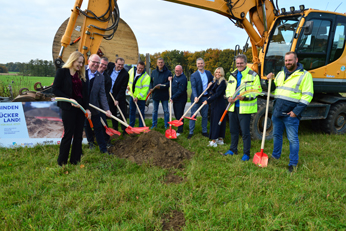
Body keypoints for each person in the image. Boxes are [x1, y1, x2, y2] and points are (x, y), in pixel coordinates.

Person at [266, 51, 313, 172]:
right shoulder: (281, 74)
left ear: (296, 60)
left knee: (292, 139)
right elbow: (274, 90)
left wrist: (295, 112)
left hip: (290, 114)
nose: (287, 62)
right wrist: (269, 80)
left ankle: (293, 163)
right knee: (276, 135)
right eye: (286, 60)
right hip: (277, 112)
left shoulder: (305, 75)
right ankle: (275, 156)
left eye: (290, 60)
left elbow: (308, 96)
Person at [52, 51, 90, 166]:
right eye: (79, 62)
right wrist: (69, 99)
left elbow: (85, 94)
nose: (80, 65)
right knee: (68, 134)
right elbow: (55, 90)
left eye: (82, 63)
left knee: (78, 135)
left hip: (80, 108)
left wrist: (87, 109)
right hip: (68, 107)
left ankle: (75, 161)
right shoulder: (62, 72)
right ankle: (62, 162)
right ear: (73, 60)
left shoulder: (82, 75)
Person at [223, 54, 262, 161]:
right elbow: (228, 90)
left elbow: (257, 92)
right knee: (233, 130)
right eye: (237, 63)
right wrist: (228, 97)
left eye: (241, 63)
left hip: (245, 108)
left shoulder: (253, 75)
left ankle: (246, 153)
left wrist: (244, 97)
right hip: (232, 107)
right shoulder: (232, 75)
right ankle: (233, 149)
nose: (239, 65)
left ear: (245, 63)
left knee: (245, 132)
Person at [84, 54, 112, 154]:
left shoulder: (100, 77)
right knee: (86, 125)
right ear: (88, 61)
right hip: (81, 105)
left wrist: (107, 109)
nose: (95, 64)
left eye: (97, 63)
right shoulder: (81, 72)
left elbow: (102, 94)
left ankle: (103, 149)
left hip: (94, 106)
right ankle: (90, 142)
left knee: (98, 127)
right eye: (93, 62)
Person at [188, 58, 213, 139]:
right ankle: (191, 132)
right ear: (196, 65)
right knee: (193, 115)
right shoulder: (193, 75)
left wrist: (211, 83)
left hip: (205, 98)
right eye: (198, 63)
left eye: (201, 63)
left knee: (205, 115)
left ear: (204, 64)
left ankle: (204, 131)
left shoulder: (208, 73)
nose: (200, 65)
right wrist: (195, 96)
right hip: (196, 98)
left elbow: (213, 80)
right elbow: (193, 87)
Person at [202, 67, 227, 147]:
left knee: (217, 121)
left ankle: (214, 141)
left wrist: (208, 101)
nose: (217, 74)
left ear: (222, 73)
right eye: (216, 72)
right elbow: (211, 92)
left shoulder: (222, 82)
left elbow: (217, 94)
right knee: (218, 121)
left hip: (219, 105)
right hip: (215, 104)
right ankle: (220, 139)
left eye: (219, 72)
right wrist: (210, 86)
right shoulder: (216, 82)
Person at [106, 57, 129, 135]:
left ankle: (124, 130)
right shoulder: (110, 66)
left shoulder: (125, 74)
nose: (120, 66)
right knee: (113, 113)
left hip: (119, 95)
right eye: (119, 64)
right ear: (115, 63)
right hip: (110, 94)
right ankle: (115, 128)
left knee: (123, 113)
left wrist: (117, 99)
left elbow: (123, 88)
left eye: (122, 65)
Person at [150, 58, 172, 129]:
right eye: (159, 62)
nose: (160, 64)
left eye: (161, 62)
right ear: (157, 63)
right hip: (155, 95)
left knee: (166, 111)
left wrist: (161, 87)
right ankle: (154, 125)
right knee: (154, 111)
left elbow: (169, 83)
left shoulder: (168, 72)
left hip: (164, 95)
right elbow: (150, 82)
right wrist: (151, 88)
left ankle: (166, 125)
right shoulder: (153, 72)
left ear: (164, 63)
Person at [127, 61, 151, 127]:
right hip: (132, 95)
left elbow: (145, 89)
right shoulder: (131, 71)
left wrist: (138, 97)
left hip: (141, 98)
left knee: (141, 113)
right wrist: (127, 85)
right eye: (139, 68)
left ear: (144, 68)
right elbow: (127, 79)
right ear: (137, 66)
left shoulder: (146, 77)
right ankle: (131, 126)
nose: (140, 70)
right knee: (132, 111)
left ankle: (141, 127)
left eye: (142, 68)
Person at [168, 65, 187, 136]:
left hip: (181, 99)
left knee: (179, 114)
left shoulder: (183, 78)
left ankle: (180, 130)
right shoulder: (175, 76)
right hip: (175, 99)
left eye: (178, 71)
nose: (177, 72)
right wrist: (171, 79)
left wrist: (172, 97)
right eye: (176, 70)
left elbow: (180, 91)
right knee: (176, 114)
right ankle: (179, 127)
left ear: (181, 71)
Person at [98, 57, 112, 145]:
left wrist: (105, 107)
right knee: (87, 123)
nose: (103, 66)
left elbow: (104, 94)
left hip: (100, 103)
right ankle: (90, 141)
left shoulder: (107, 79)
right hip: (89, 102)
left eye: (105, 65)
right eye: (102, 64)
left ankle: (107, 141)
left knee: (103, 122)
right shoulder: (89, 73)